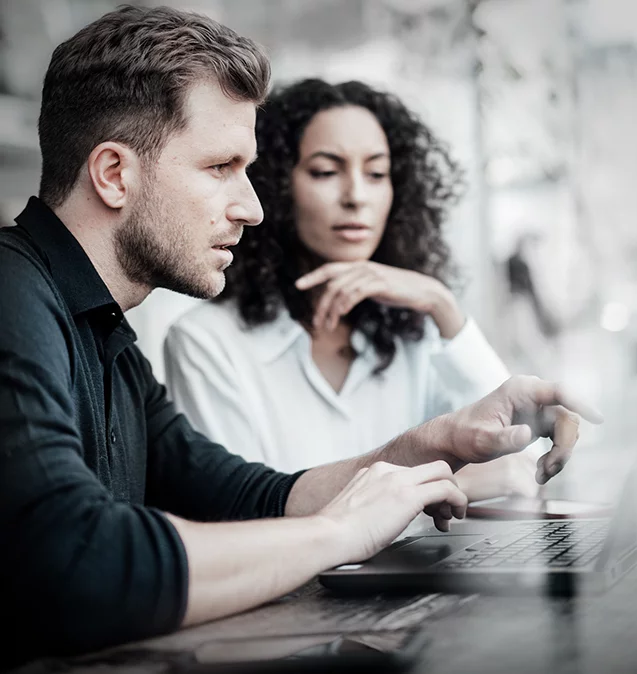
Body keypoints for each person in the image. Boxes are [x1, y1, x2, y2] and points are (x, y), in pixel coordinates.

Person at [0, 5, 601, 669]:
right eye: (220, 166)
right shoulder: (10, 293)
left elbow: (245, 496)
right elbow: (79, 561)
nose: (252, 207)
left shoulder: (103, 332)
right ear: (114, 174)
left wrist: (436, 444)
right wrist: (338, 532)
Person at [164, 78, 538, 502]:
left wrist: (442, 304)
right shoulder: (206, 342)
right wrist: (456, 486)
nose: (357, 196)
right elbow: (246, 516)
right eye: (326, 172)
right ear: (275, 184)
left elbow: (519, 460)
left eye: (377, 173)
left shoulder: (417, 331)